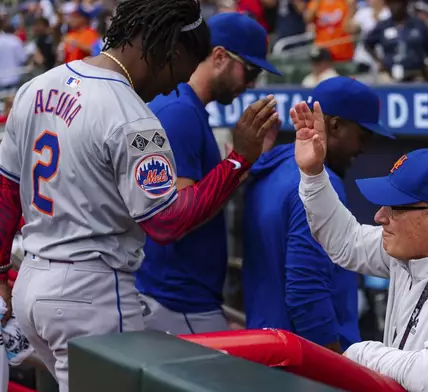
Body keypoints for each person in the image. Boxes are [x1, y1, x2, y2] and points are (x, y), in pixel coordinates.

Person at [0, 0, 280, 390]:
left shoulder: (37, 86)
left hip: (33, 283)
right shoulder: (131, 115)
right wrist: (238, 160)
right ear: (172, 51)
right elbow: (166, 223)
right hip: (89, 292)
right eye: (180, 72)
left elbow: (6, 192)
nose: (174, 86)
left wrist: (1, 272)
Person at [292, 101, 428, 391]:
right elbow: (346, 243)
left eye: (395, 207)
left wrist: (361, 353)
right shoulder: (415, 247)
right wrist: (313, 175)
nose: (379, 216)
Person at [136, 12, 282, 335]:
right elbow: (177, 218)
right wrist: (239, 159)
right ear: (219, 57)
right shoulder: (180, 112)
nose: (252, 83)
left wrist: (248, 160)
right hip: (175, 299)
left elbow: (206, 192)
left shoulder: (181, 105)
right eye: (250, 70)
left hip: (175, 296)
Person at [243, 77, 393, 353]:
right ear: (334, 125)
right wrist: (333, 362)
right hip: (301, 359)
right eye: (362, 136)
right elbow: (306, 291)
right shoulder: (319, 182)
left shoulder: (270, 166)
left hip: (264, 345)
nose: (363, 149)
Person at [364, 0, 428, 83]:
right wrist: (379, 62)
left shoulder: (418, 24)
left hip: (416, 72)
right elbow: (367, 43)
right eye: (391, 4)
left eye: (398, 3)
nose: (395, 7)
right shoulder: (383, 26)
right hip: (391, 73)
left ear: (405, 4)